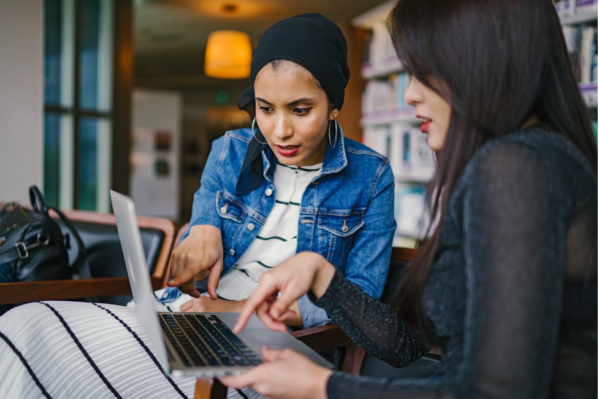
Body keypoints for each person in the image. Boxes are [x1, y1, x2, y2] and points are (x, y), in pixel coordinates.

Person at [0, 14, 397, 399]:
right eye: (265, 108)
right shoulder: (230, 150)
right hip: (184, 314)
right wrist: (201, 227)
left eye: (300, 110)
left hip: (272, 343)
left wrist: (231, 308)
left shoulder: (372, 177)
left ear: (333, 106)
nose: (280, 131)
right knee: (23, 323)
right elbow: (199, 235)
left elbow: (358, 302)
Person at [221, 0, 599, 398]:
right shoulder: (525, 159)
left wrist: (322, 387)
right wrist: (322, 276)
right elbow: (406, 347)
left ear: (481, 62)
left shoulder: (515, 167)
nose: (412, 94)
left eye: (423, 73)